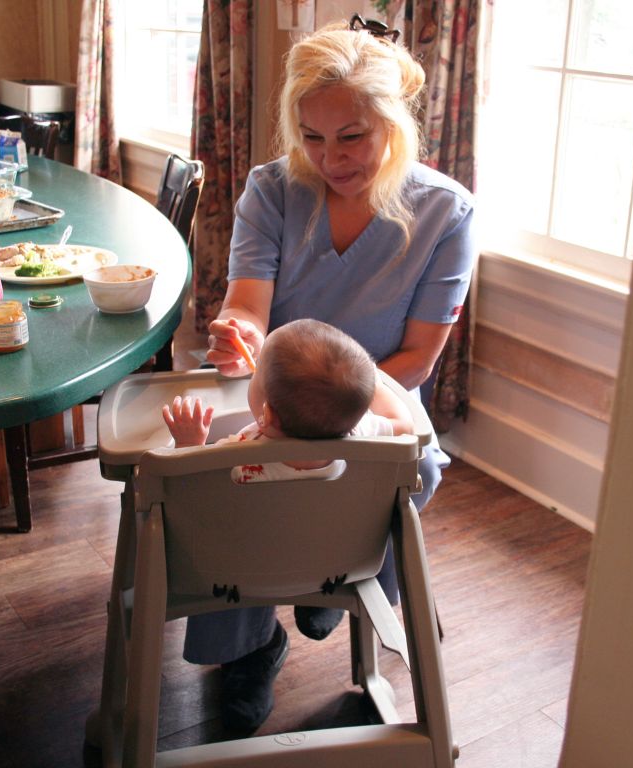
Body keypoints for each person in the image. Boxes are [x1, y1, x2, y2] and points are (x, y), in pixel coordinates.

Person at [190, 17, 476, 732]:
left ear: (393, 124)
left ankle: (335, 568)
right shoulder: (272, 190)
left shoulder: (446, 212)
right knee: (225, 475)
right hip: (275, 391)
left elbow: (415, 362)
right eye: (311, 137)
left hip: (375, 390)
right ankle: (252, 644)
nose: (329, 158)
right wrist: (239, 340)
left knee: (409, 465)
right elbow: (249, 308)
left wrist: (333, 417)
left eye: (351, 136)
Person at [162, 317, 415, 468]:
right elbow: (405, 425)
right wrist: (374, 382)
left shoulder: (239, 456)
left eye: (257, 367)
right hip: (335, 555)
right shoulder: (363, 433)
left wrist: (189, 445)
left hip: (253, 556)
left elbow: (193, 493)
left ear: (267, 414)